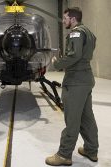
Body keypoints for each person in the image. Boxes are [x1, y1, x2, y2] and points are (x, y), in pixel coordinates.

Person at [45, 7, 99, 166]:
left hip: (76, 81)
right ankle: (91, 149)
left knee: (72, 120)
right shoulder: (88, 32)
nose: (64, 21)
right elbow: (84, 53)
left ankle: (64, 154)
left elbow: (73, 55)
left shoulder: (76, 33)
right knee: (87, 118)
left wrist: (56, 64)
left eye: (65, 18)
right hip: (86, 79)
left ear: (73, 19)